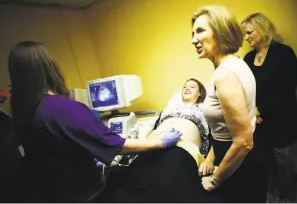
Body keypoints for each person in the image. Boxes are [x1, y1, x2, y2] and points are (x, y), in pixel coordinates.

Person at [8, 41, 182, 202]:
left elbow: (55, 147)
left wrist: (85, 155)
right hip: (85, 194)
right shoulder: (62, 109)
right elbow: (117, 145)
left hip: (51, 193)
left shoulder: (24, 112)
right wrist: (160, 142)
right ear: (48, 67)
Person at [191, 5, 268, 202]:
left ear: (220, 30)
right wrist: (210, 157)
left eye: (200, 31)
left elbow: (243, 142)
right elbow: (225, 128)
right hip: (241, 156)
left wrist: (215, 180)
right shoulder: (235, 63)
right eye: (192, 33)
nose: (193, 40)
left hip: (241, 161)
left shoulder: (225, 74)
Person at [105, 78, 220, 202]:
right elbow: (153, 130)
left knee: (166, 185)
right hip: (155, 146)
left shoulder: (205, 109)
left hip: (182, 150)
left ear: (200, 93)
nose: (187, 88)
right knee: (132, 179)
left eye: (192, 87)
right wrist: (140, 150)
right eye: (185, 86)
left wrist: (209, 160)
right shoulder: (169, 109)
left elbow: (218, 136)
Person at [241, 12, 297, 202]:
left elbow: (287, 88)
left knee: (284, 168)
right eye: (244, 34)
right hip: (259, 126)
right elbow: (245, 90)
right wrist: (252, 111)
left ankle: (288, 199)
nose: (246, 37)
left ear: (262, 28)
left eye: (249, 32)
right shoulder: (248, 59)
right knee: (266, 167)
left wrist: (262, 109)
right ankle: (272, 198)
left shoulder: (284, 53)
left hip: (283, 123)